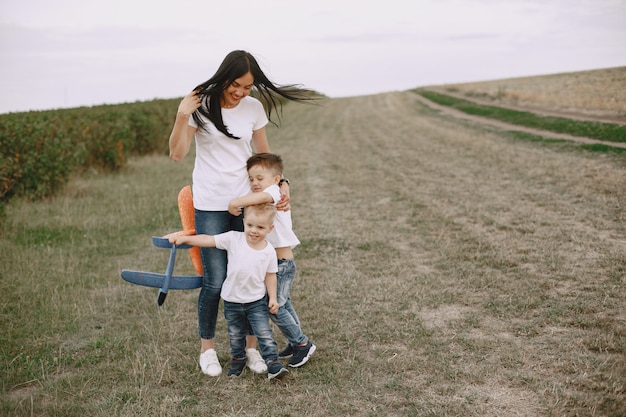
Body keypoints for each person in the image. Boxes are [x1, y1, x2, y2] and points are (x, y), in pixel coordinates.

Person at [168, 50, 315, 377]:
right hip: (209, 203)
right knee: (216, 282)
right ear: (224, 77)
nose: (240, 92)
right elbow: (176, 154)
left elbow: (264, 155)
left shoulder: (253, 108)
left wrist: (283, 181)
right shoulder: (200, 106)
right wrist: (181, 116)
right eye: (236, 85)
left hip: (247, 204)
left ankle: (252, 348)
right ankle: (207, 350)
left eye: (248, 87)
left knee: (254, 277)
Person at [168, 203, 288, 379]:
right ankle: (237, 362)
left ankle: (273, 364)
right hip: (232, 300)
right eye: (250, 225)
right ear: (244, 222)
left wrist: (273, 298)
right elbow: (209, 240)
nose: (254, 231)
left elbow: (271, 275)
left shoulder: (268, 250)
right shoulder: (234, 239)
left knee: (263, 332)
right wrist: (186, 239)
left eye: (260, 227)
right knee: (236, 334)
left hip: (256, 300)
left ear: (270, 228)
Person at [228, 153, 316, 368]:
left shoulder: (274, 192)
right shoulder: (265, 193)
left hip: (280, 264)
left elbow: (261, 198)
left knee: (274, 306)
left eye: (259, 178)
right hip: (276, 264)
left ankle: (302, 344)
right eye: (251, 179)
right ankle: (296, 342)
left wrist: (236, 202)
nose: (254, 183)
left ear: (277, 179)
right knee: (285, 304)